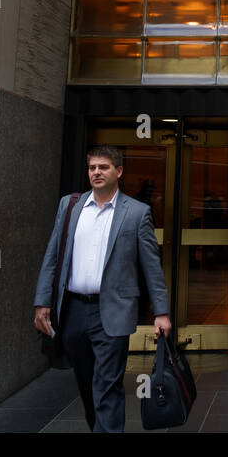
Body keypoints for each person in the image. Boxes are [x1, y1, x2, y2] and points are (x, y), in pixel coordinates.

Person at [33, 145, 171, 433]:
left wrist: (162, 312)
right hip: (73, 310)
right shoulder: (70, 206)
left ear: (118, 172)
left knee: (107, 385)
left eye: (103, 167)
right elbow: (53, 255)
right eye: (92, 167)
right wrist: (42, 301)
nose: (96, 172)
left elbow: (151, 266)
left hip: (113, 310)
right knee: (86, 383)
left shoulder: (136, 213)